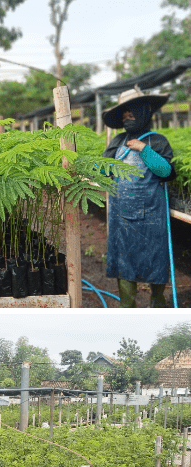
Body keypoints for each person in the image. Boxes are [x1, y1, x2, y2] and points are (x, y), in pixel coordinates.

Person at [102, 86, 177, 308]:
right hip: (121, 215)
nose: (127, 116)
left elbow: (167, 172)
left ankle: (157, 301)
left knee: (155, 257)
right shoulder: (117, 141)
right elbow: (103, 169)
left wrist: (144, 149)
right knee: (124, 260)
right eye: (124, 113)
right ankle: (128, 307)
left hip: (151, 213)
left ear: (144, 110)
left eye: (131, 111)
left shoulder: (158, 141)